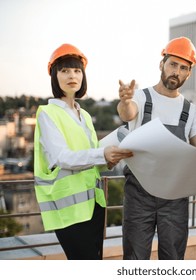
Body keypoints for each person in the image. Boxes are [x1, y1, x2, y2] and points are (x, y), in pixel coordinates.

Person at [117, 37, 196, 260]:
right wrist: (124, 102)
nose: (177, 72)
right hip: (139, 194)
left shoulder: (190, 111)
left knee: (173, 258)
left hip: (175, 197)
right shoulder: (140, 98)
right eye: (173, 64)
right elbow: (128, 113)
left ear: (188, 73)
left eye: (183, 68)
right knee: (135, 258)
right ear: (161, 64)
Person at [34, 43, 133, 260]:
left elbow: (90, 155)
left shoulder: (85, 115)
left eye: (77, 70)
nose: (72, 75)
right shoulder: (47, 113)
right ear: (54, 76)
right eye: (65, 70)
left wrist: (108, 158)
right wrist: (101, 154)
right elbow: (62, 157)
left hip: (94, 205)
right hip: (68, 211)